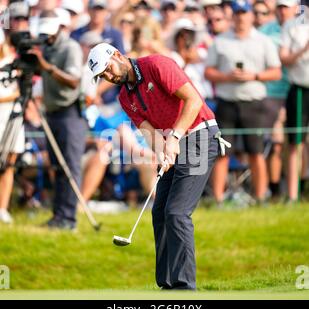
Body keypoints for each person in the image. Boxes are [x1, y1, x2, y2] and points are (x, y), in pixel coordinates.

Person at [87, 42, 226, 290]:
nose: (108, 77)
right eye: (102, 76)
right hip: (174, 142)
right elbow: (149, 133)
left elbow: (193, 100)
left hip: (200, 136)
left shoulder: (156, 65)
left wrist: (173, 138)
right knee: (159, 212)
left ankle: (184, 288)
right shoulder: (124, 97)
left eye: (107, 69)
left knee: (177, 212)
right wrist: (162, 152)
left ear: (118, 55)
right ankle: (167, 285)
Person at [205, 0, 282, 204]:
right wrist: (227, 77)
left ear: (250, 15)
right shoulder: (221, 41)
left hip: (253, 102)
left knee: (256, 152)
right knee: (222, 153)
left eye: (244, 13)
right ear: (233, 16)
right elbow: (208, 72)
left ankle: (260, 198)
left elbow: (276, 72)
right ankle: (218, 199)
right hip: (227, 102)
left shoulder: (263, 41)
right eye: (237, 13)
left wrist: (254, 76)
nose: (241, 17)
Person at [28, 10, 86, 230]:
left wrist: (47, 67)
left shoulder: (70, 47)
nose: (47, 37)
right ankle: (58, 216)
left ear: (59, 28)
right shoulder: (47, 47)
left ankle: (68, 219)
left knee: (69, 167)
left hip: (69, 113)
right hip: (53, 112)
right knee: (57, 167)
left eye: (49, 33)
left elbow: (73, 81)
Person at [258, 0, 298, 199]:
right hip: (271, 94)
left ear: (295, 8)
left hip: (296, 90)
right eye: (280, 6)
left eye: (286, 7)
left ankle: (298, 189)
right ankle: (274, 190)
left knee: (297, 143)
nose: (282, 11)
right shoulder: (266, 30)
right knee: (275, 143)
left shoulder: (302, 28)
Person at [280, 0, 309, 202]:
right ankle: (292, 196)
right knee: (294, 143)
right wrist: (304, 50)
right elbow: (284, 58)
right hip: (300, 89)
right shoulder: (293, 25)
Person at [0, 27, 24, 223]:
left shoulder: (13, 63)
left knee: (9, 163)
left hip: (13, 115)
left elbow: (20, 91)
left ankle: (3, 207)